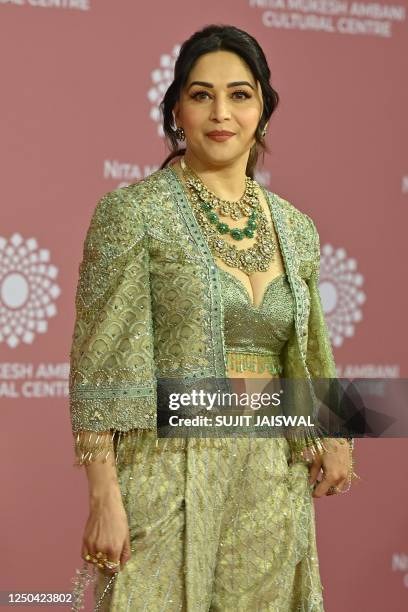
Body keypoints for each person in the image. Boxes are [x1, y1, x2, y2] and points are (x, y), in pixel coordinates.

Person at [69, 24, 358, 612]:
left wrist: (335, 430)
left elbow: (308, 351)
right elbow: (99, 367)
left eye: (240, 94)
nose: (221, 112)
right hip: (167, 474)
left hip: (269, 483)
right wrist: (104, 497)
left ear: (264, 109)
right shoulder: (133, 213)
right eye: (201, 95)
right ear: (177, 110)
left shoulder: (296, 228)